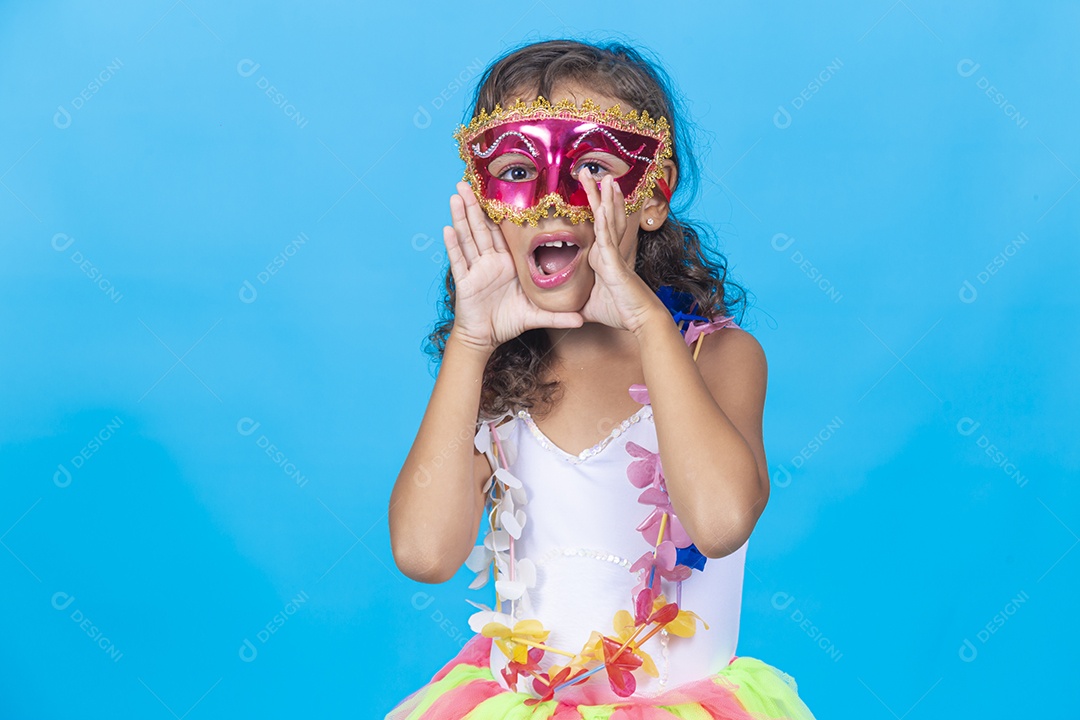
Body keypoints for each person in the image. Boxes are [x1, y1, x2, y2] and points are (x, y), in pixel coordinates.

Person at [386, 38, 818, 719]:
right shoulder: (494, 377)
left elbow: (721, 522)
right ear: (487, 199)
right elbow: (423, 553)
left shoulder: (720, 359)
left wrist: (647, 324)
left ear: (653, 195)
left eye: (592, 166)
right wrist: (469, 344)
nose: (554, 200)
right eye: (519, 169)